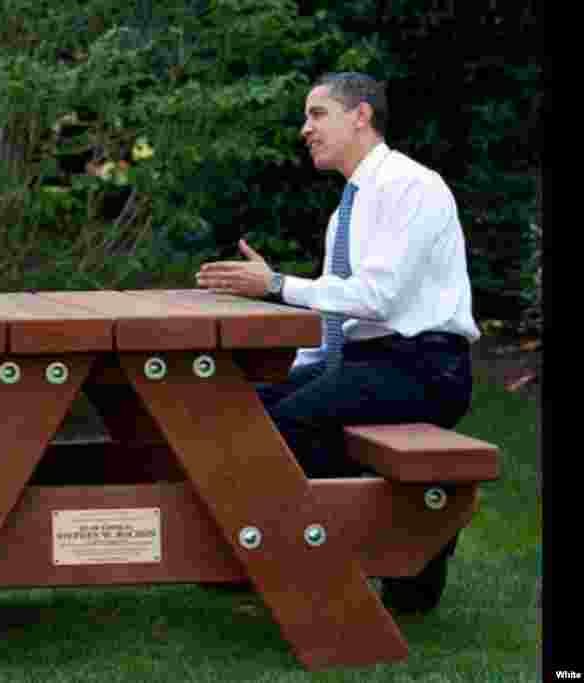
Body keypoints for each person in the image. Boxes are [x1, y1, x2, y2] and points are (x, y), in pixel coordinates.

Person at [195, 72, 481, 612]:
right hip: (368, 362)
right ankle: (403, 538)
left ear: (362, 115)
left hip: (424, 369)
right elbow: (340, 315)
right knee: (246, 411)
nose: (306, 128)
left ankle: (314, 570)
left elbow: (379, 299)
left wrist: (277, 285)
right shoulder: (347, 208)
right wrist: (294, 367)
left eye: (317, 114)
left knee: (289, 426)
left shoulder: (409, 187)